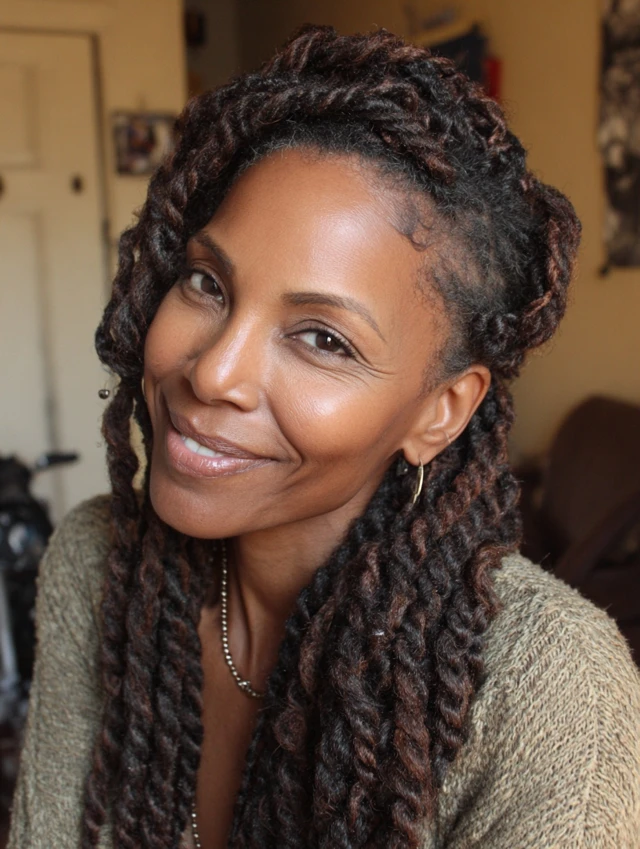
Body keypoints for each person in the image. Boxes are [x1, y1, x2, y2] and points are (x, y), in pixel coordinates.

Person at [8, 25, 640, 849]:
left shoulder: (551, 692)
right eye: (206, 282)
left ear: (440, 411)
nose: (213, 373)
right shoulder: (97, 567)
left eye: (323, 338)